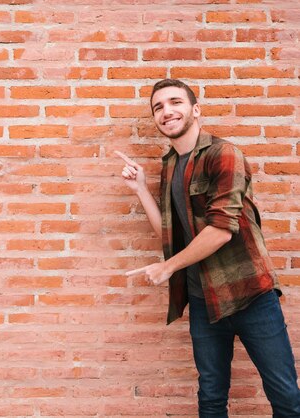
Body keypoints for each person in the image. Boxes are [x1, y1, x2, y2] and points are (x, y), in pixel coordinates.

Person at [117, 78, 300, 416]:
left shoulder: (223, 154)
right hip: (204, 302)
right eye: (158, 107)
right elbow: (172, 235)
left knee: (286, 398)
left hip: (250, 296)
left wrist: (168, 267)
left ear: (195, 110)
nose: (166, 111)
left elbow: (221, 230)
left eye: (175, 102)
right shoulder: (170, 166)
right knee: (211, 398)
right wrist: (141, 189)